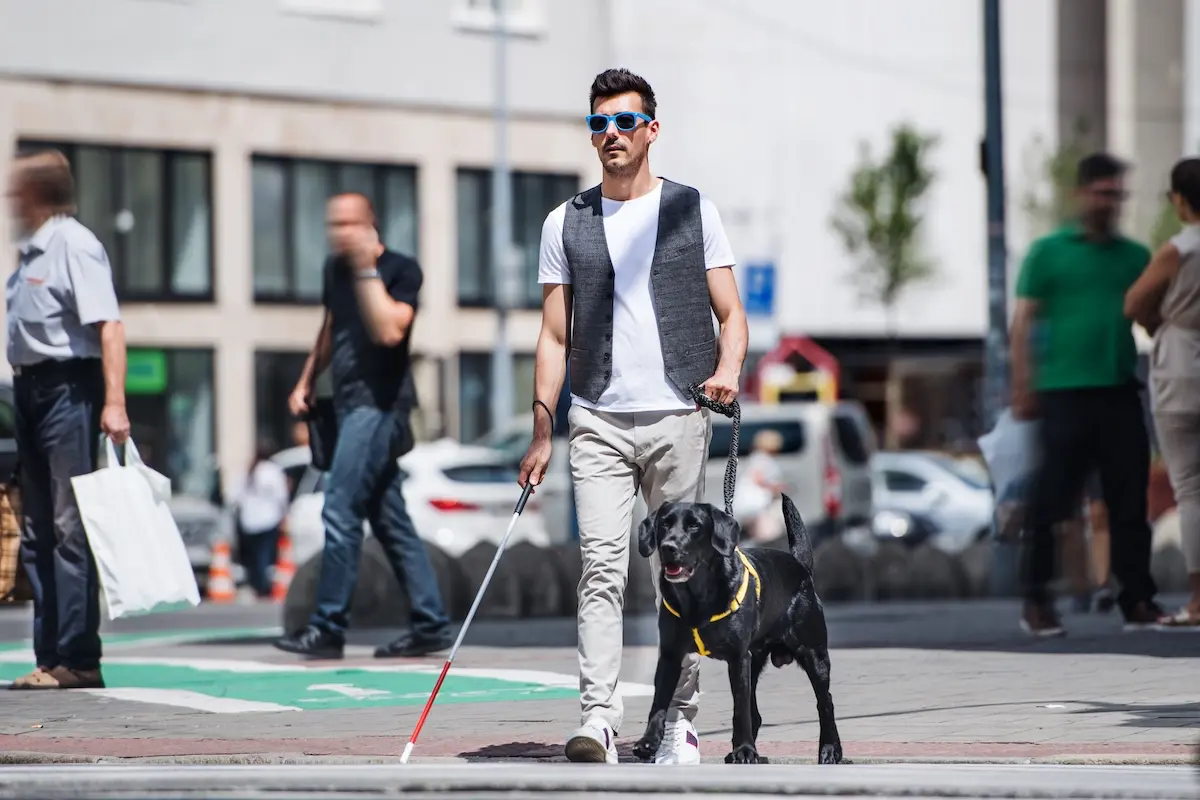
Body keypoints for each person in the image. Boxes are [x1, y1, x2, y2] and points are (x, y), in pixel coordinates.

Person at [518, 68, 749, 764]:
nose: (610, 135)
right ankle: (598, 717)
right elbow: (554, 337)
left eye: (623, 122)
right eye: (598, 124)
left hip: (681, 414)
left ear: (651, 128)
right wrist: (540, 429)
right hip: (597, 419)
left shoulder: (692, 210)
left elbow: (732, 315)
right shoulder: (566, 222)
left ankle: (678, 719)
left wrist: (727, 372)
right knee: (601, 568)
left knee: (679, 575)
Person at [273, 193, 452, 659]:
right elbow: (332, 325)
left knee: (339, 508)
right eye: (335, 223)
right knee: (390, 521)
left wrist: (367, 270)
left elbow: (389, 330)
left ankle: (328, 627)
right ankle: (430, 622)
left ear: (371, 225)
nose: (341, 232)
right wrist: (308, 379)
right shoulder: (335, 270)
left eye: (351, 223)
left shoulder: (400, 269)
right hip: (348, 405)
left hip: (381, 408)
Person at [1009, 152, 1163, 637]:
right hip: (1063, 396)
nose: (1109, 201)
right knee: (1051, 500)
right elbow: (1023, 322)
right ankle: (1037, 601)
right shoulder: (1048, 253)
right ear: (1081, 194)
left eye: (1116, 193)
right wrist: (1022, 385)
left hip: (1119, 391)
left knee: (1128, 501)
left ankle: (1137, 599)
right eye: (1101, 192)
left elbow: (1152, 315)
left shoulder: (1136, 256)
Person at [5, 149, 130, 690]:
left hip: (68, 392)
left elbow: (109, 326)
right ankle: (49, 655)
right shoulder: (31, 253)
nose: (11, 203)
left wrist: (114, 401)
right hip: (31, 392)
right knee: (37, 530)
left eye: (17, 194)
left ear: (37, 196)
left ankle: (78, 659)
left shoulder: (75, 245)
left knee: (67, 527)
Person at [1124, 156, 1200, 627]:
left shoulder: (1179, 249)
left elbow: (1133, 303)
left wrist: (1160, 324)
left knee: (1191, 488)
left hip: (1180, 367)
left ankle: (1198, 599)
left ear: (1178, 199)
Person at [233, 440, 290, 599]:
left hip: (249, 519)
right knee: (265, 554)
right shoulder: (273, 471)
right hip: (268, 518)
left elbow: (235, 495)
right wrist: (285, 514)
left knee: (253, 555)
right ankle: (263, 586)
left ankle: (255, 583)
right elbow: (281, 495)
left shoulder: (250, 470)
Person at [733, 429, 788, 545]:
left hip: (756, 504)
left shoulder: (757, 457)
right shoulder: (762, 459)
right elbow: (758, 478)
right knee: (768, 532)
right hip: (758, 503)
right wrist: (775, 487)